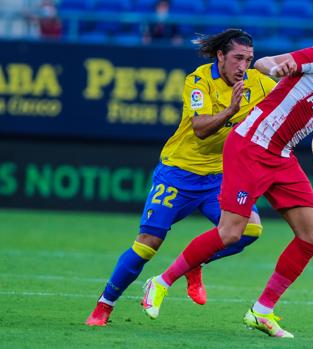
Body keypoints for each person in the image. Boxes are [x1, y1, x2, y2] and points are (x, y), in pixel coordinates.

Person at [141, 24, 313, 338]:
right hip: (250, 146)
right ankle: (161, 282)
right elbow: (263, 64)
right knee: (231, 232)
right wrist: (279, 67)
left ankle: (262, 311)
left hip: (281, 156)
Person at [86, 28, 276, 326]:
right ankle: (103, 306)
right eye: (238, 58)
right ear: (221, 56)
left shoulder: (259, 83)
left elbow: (295, 102)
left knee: (250, 231)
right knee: (148, 243)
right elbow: (200, 129)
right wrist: (231, 110)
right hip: (178, 172)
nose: (244, 66)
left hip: (219, 177)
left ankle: (194, 264)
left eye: (249, 59)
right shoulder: (198, 80)